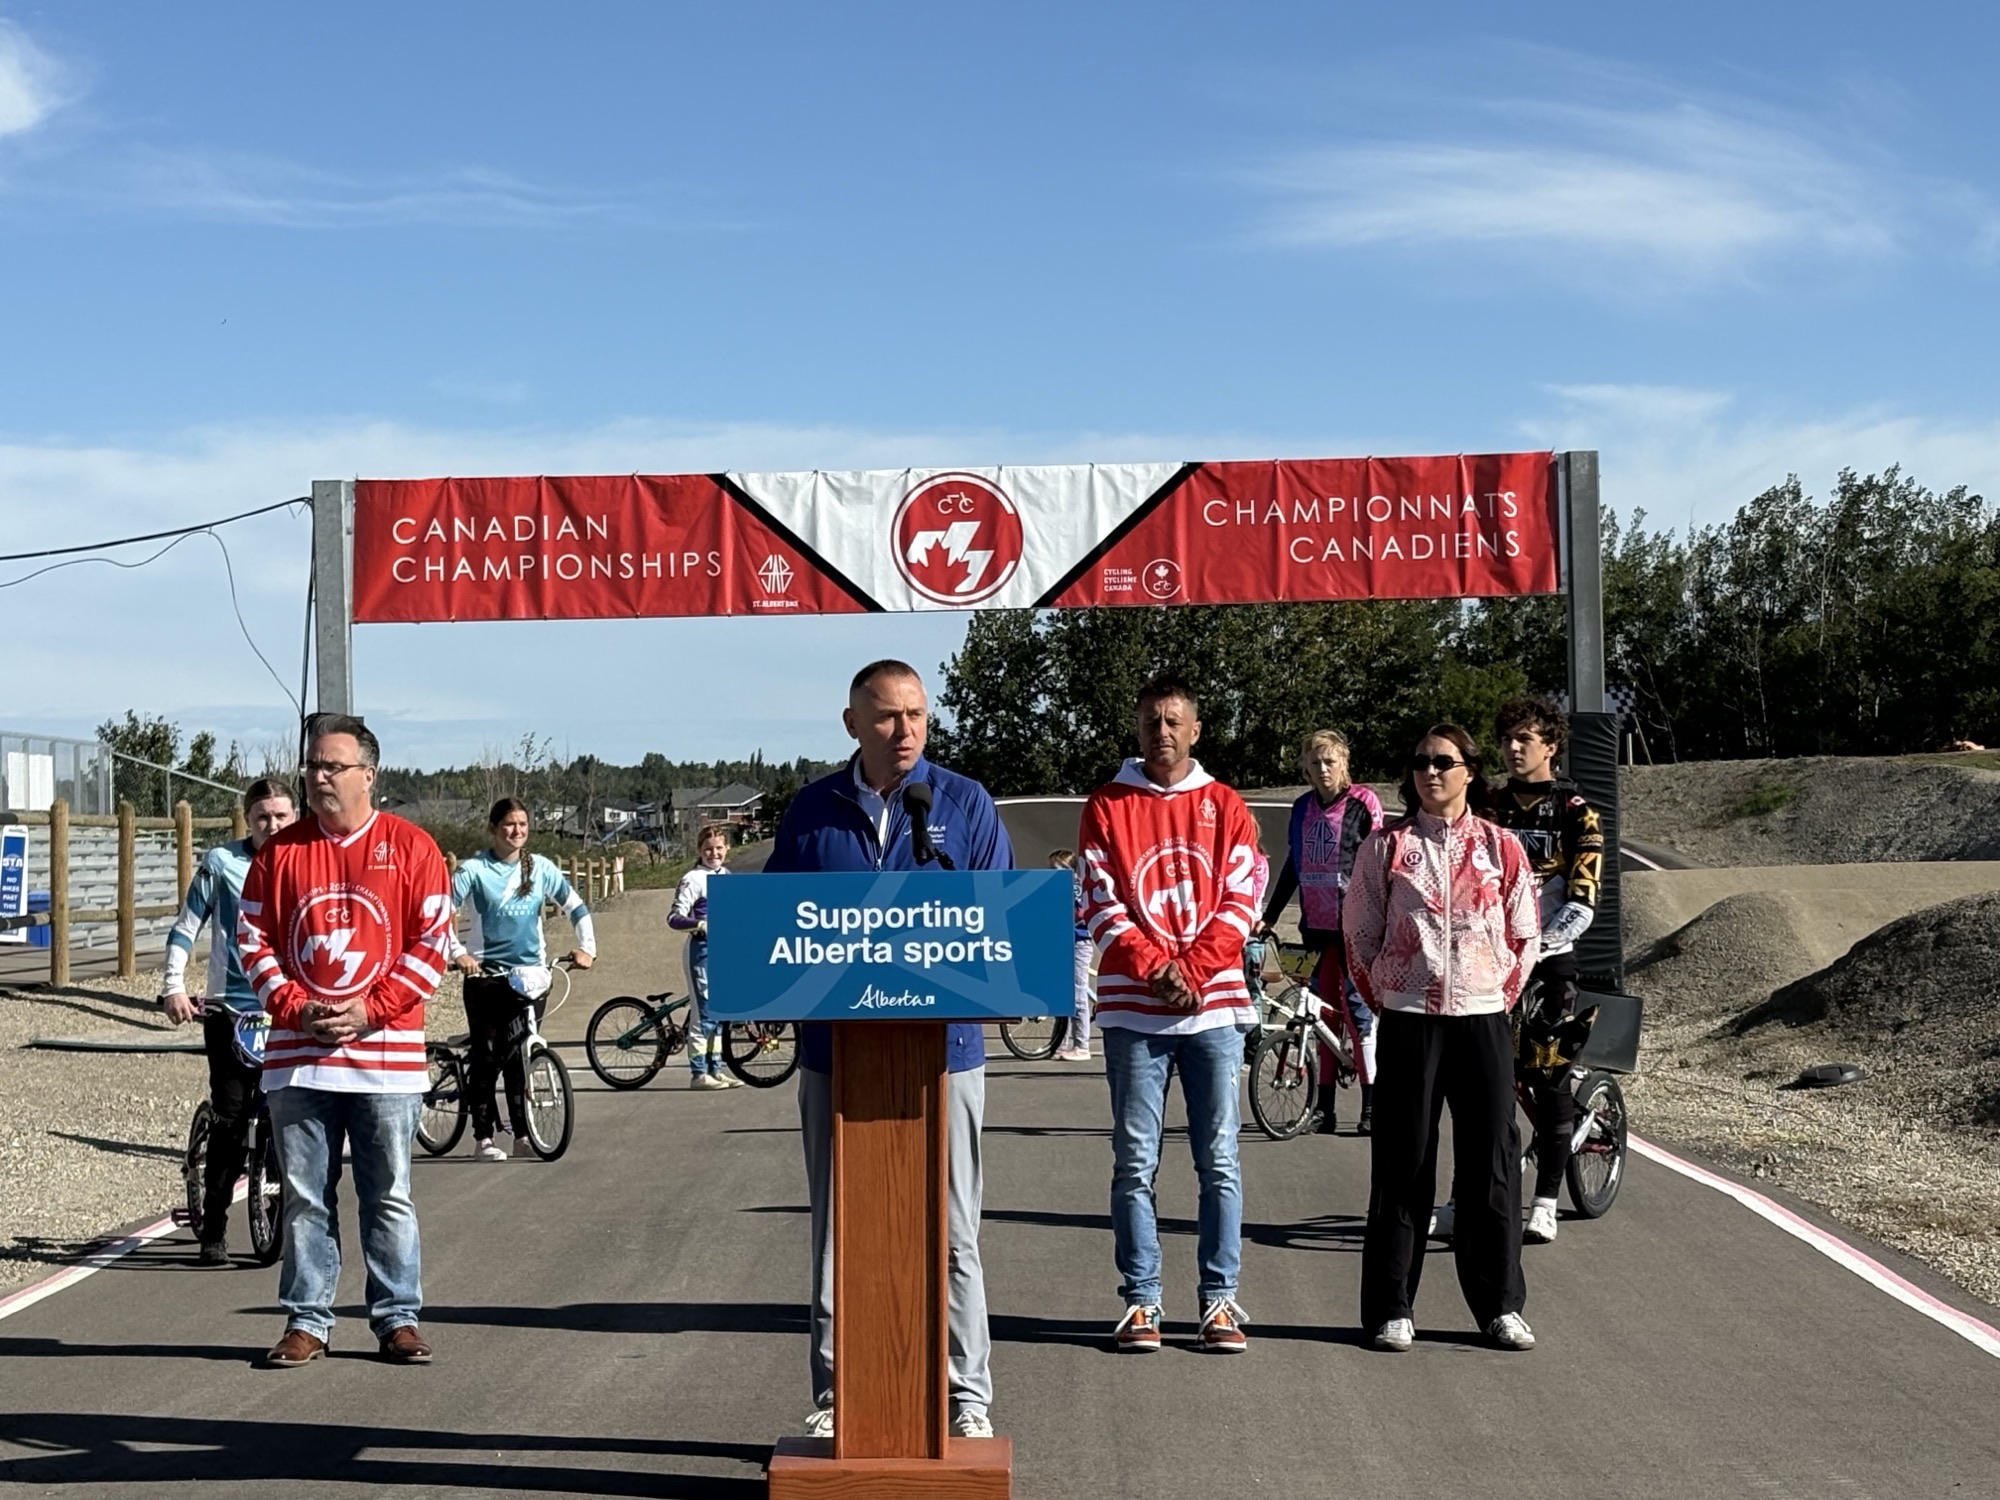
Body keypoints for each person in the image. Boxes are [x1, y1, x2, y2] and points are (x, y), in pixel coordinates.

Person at [766, 659, 1010, 1441]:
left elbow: (997, 921)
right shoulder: (810, 810)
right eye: (885, 717)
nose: (903, 731)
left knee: (955, 1232)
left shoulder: (964, 802)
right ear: (851, 724)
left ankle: (966, 1397)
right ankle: (839, 1392)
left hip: (947, 1055)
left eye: (915, 716)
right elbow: (776, 925)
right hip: (836, 1058)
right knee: (837, 1232)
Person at [237, 714, 453, 1369]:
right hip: (299, 1062)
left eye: (333, 766)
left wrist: (371, 1010)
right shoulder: (280, 853)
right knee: (305, 1196)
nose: (319, 777)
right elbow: (253, 940)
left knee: (388, 1193)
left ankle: (397, 1318)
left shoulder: (413, 847)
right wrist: (294, 1007)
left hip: (386, 1060)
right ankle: (307, 1321)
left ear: (369, 774)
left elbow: (431, 946)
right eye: (313, 766)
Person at [1343, 724, 1541, 1354]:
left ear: (1469, 772)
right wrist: (1387, 991)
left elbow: (1523, 931)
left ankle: (1499, 1305)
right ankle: (1391, 1307)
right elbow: (1360, 932)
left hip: (1482, 1017)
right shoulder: (1385, 849)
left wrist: (1497, 992)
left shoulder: (1501, 846)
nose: (1431, 772)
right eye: (1421, 762)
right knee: (1404, 1162)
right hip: (1408, 1017)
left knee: (1491, 1164)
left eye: (1444, 763)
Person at [1079, 675, 1260, 1354]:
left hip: (1211, 1010)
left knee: (1219, 1161)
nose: (1162, 733)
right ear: (1138, 726)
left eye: (1174, 721)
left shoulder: (1225, 804)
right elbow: (1099, 900)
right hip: (1134, 1010)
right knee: (1134, 1162)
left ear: (1196, 730)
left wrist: (1190, 969)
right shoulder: (1106, 804)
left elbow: (1241, 901)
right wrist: (1155, 966)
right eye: (1152, 720)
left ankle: (1219, 1300)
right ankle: (1141, 1301)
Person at [158, 777, 298, 1266]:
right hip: (230, 1009)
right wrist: (174, 985)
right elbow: (186, 925)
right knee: (233, 1117)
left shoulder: (306, 863)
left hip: (285, 1009)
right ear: (248, 820)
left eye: (282, 816)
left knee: (288, 1112)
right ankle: (213, 1227)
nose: (273, 825)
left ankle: (284, 1215)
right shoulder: (222, 864)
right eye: (263, 817)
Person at [1491, 696, 1604, 1245]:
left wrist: (1537, 947)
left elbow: (1582, 900)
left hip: (1549, 960)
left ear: (1550, 746)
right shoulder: (1486, 805)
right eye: (1507, 739)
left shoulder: (1577, 810)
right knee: (1482, 1083)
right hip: (1489, 963)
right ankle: (1470, 1195)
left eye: (1525, 739)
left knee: (1548, 1073)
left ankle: (1544, 1200)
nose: (1514, 749)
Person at [447, 797, 598, 1159]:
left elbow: (576, 906)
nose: (516, 831)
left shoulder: (541, 868)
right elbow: (439, 915)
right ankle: (483, 1136)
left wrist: (587, 947)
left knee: (517, 1054)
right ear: (493, 829)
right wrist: (458, 954)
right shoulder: (473, 870)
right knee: (486, 1056)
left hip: (531, 976)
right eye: (509, 825)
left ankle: (522, 1135)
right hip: (486, 974)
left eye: (523, 825)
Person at [1257, 729, 1383, 1134]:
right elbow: (1294, 865)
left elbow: (1380, 863)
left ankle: (1371, 1106)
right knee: (1318, 1013)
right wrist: (1271, 916)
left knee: (1359, 1015)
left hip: (1356, 928)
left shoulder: (1363, 803)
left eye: (1330, 761)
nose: (1323, 769)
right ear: (1305, 768)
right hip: (1315, 927)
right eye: (1315, 763)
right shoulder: (1300, 808)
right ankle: (1322, 1108)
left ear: (1343, 762)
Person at [667, 822, 740, 1089]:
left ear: (727, 848)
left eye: (719, 848)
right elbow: (673, 918)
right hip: (700, 951)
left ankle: (716, 1069)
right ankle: (698, 1074)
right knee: (704, 1013)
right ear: (699, 850)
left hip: (723, 952)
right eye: (708, 849)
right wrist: (698, 924)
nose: (714, 853)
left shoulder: (727, 876)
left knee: (720, 1013)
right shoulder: (693, 879)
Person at [1048, 848, 1095, 1062]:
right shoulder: (1059, 888)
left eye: (1057, 869)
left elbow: (1079, 914)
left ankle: (1081, 1044)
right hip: (1064, 942)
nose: (1053, 873)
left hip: (1079, 942)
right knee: (1063, 994)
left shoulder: (1076, 888)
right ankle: (1061, 1041)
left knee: (1077, 995)